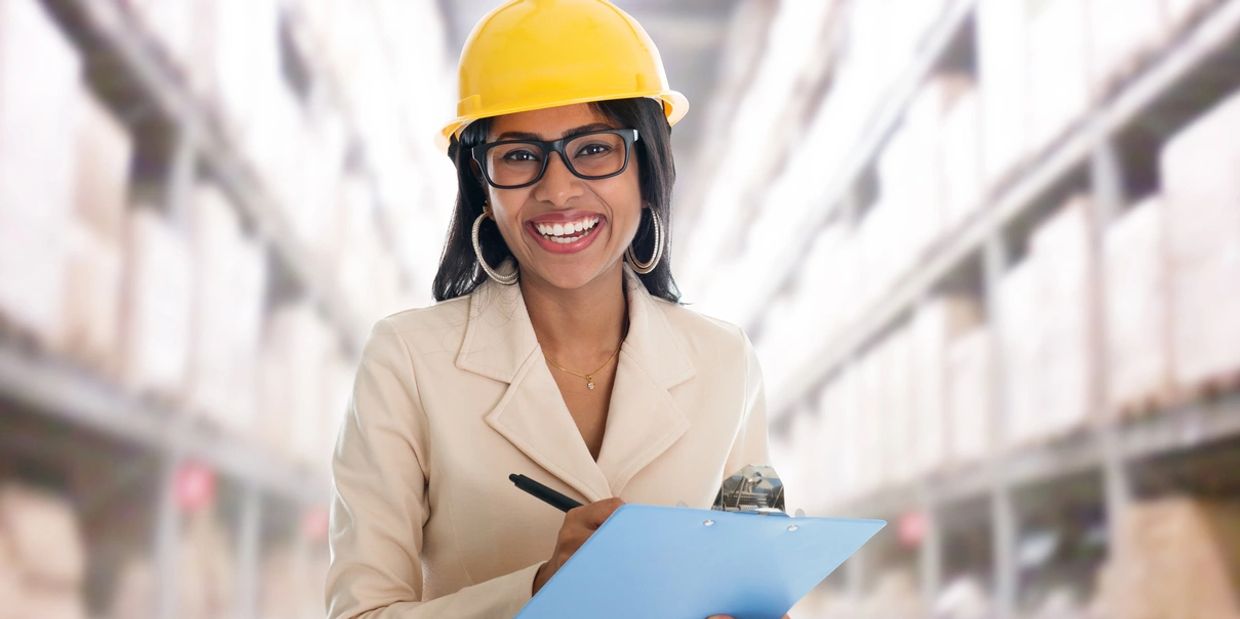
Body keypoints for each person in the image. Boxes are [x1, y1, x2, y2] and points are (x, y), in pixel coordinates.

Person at [325, 1, 787, 617]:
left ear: (648, 168)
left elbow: (752, 591)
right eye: (518, 155)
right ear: (480, 183)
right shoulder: (408, 361)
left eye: (594, 149)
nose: (558, 189)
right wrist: (538, 592)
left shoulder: (724, 362)